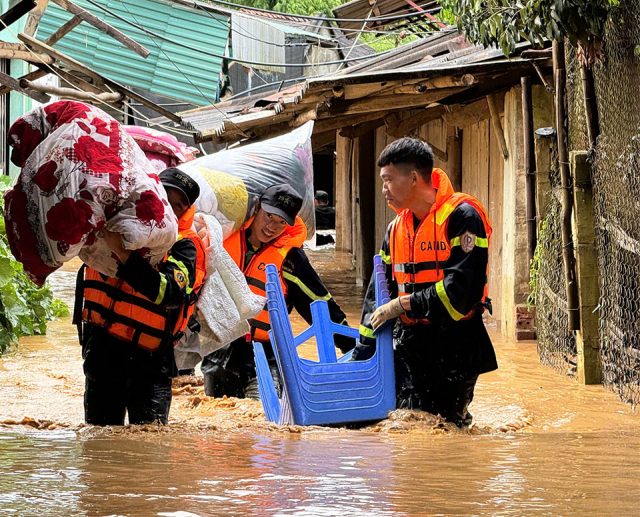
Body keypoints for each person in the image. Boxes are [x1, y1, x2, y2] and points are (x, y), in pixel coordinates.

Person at [352, 137, 498, 427]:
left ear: (414, 178)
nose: (383, 190)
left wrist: (403, 305)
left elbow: (460, 291)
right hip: (410, 344)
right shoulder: (396, 228)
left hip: (456, 345)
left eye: (388, 180)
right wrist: (362, 354)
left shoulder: (463, 217)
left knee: (443, 430)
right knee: (401, 426)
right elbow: (377, 295)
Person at [73, 168, 207, 425]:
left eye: (178, 204)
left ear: (185, 211)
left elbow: (170, 293)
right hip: (101, 354)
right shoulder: (114, 224)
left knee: (148, 452)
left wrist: (123, 254)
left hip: (149, 363)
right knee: (97, 446)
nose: (170, 206)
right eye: (165, 196)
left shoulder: (185, 245)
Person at [202, 183, 354, 399]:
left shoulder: (291, 259)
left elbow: (321, 305)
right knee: (218, 422)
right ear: (257, 207)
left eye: (282, 222)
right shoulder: (223, 239)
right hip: (218, 354)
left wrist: (357, 350)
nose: (272, 227)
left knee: (265, 425)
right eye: (269, 216)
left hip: (263, 355)